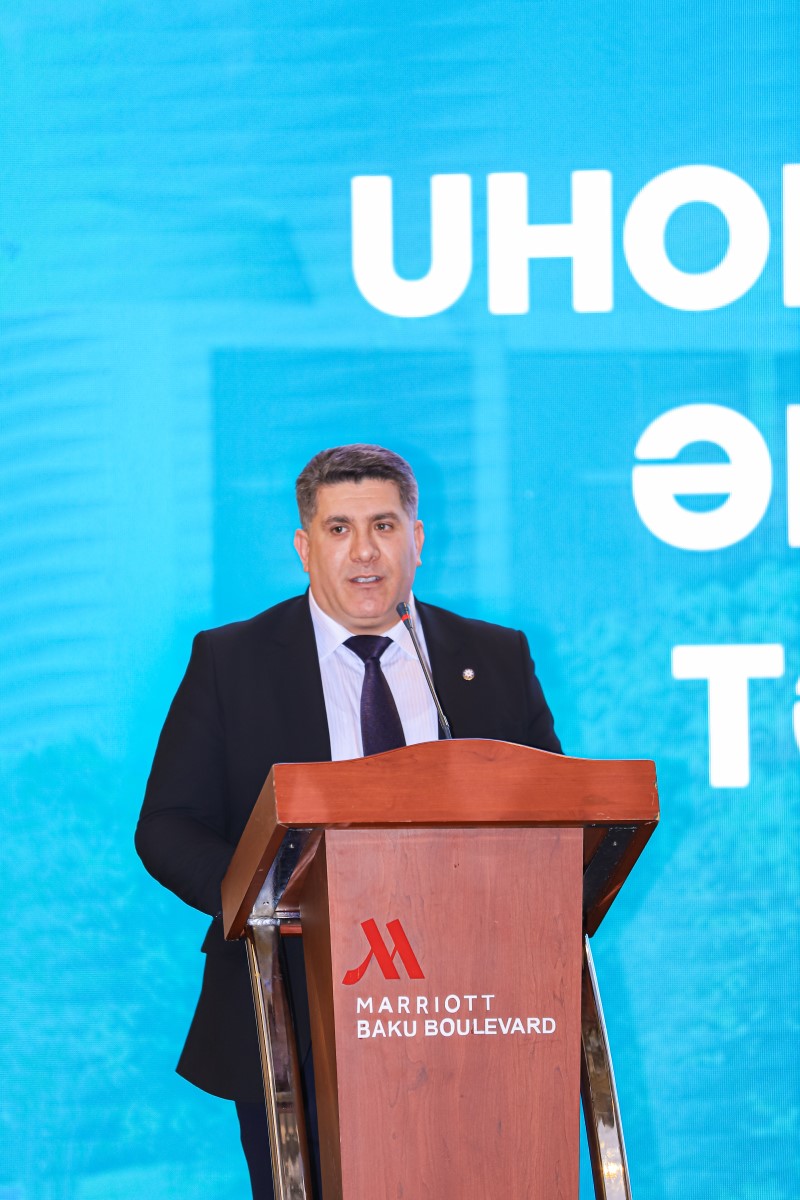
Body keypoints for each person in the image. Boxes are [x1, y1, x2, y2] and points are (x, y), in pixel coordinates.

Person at [135, 443, 561, 1198]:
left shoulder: (492, 656)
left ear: (416, 539)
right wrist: (266, 900)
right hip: (293, 1003)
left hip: (480, 1001)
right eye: (339, 530)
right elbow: (168, 825)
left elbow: (554, 816)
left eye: (384, 526)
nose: (364, 552)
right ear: (305, 547)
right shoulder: (232, 661)